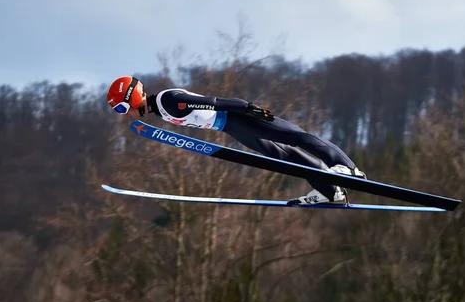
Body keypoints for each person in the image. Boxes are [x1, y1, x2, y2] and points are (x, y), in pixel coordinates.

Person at [106, 76, 367, 205]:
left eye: (121, 108)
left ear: (133, 97)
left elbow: (213, 102)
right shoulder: (161, 110)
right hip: (231, 127)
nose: (124, 114)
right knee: (282, 157)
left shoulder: (167, 100)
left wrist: (248, 109)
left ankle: (348, 168)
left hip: (238, 117)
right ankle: (329, 191)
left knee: (294, 137)